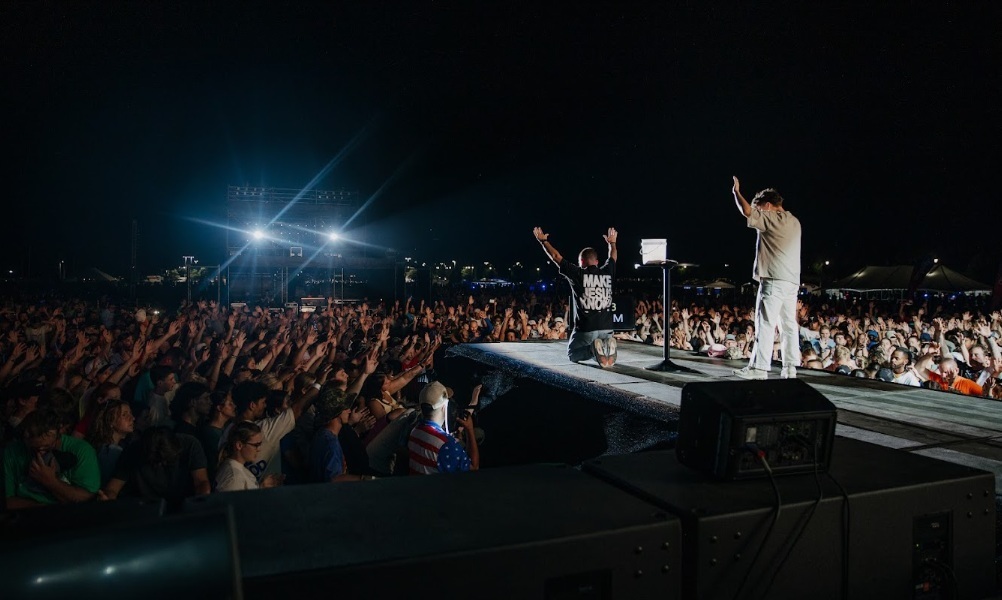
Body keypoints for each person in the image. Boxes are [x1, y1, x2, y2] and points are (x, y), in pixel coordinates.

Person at [730, 177, 802, 380]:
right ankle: (790, 368)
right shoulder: (795, 221)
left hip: (773, 279)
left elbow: (747, 212)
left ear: (768, 205)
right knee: (788, 325)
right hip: (791, 281)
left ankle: (760, 368)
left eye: (760, 208)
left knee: (766, 324)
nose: (758, 212)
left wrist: (736, 193)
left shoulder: (771, 218)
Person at [533, 226, 619, 367]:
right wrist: (612, 243)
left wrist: (543, 241)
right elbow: (613, 257)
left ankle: (592, 349)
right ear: (597, 262)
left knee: (572, 354)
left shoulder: (578, 274)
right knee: (601, 351)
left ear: (581, 262)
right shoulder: (608, 272)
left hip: (587, 328)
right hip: (607, 328)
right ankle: (606, 346)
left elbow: (556, 257)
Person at [3, 408, 101, 509]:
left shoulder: (81, 450)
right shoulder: (12, 451)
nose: (40, 452)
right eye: (34, 448)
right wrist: (40, 508)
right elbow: (7, 500)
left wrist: (51, 482)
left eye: (46, 447)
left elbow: (87, 498)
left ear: (58, 436)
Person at [407, 381, 478, 474]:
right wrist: (470, 430)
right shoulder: (447, 444)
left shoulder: (415, 431)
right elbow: (474, 469)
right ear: (445, 406)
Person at [216, 421, 283, 491]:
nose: (259, 449)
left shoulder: (235, 468)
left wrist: (262, 487)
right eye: (256, 445)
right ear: (239, 445)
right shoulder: (235, 477)